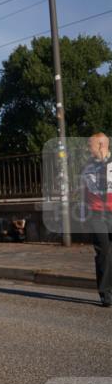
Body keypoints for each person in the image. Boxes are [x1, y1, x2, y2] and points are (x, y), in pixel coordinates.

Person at [82, 132, 112, 307]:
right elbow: (85, 192)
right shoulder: (87, 167)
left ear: (101, 145)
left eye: (90, 145)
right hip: (97, 215)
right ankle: (105, 293)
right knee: (103, 253)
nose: (88, 148)